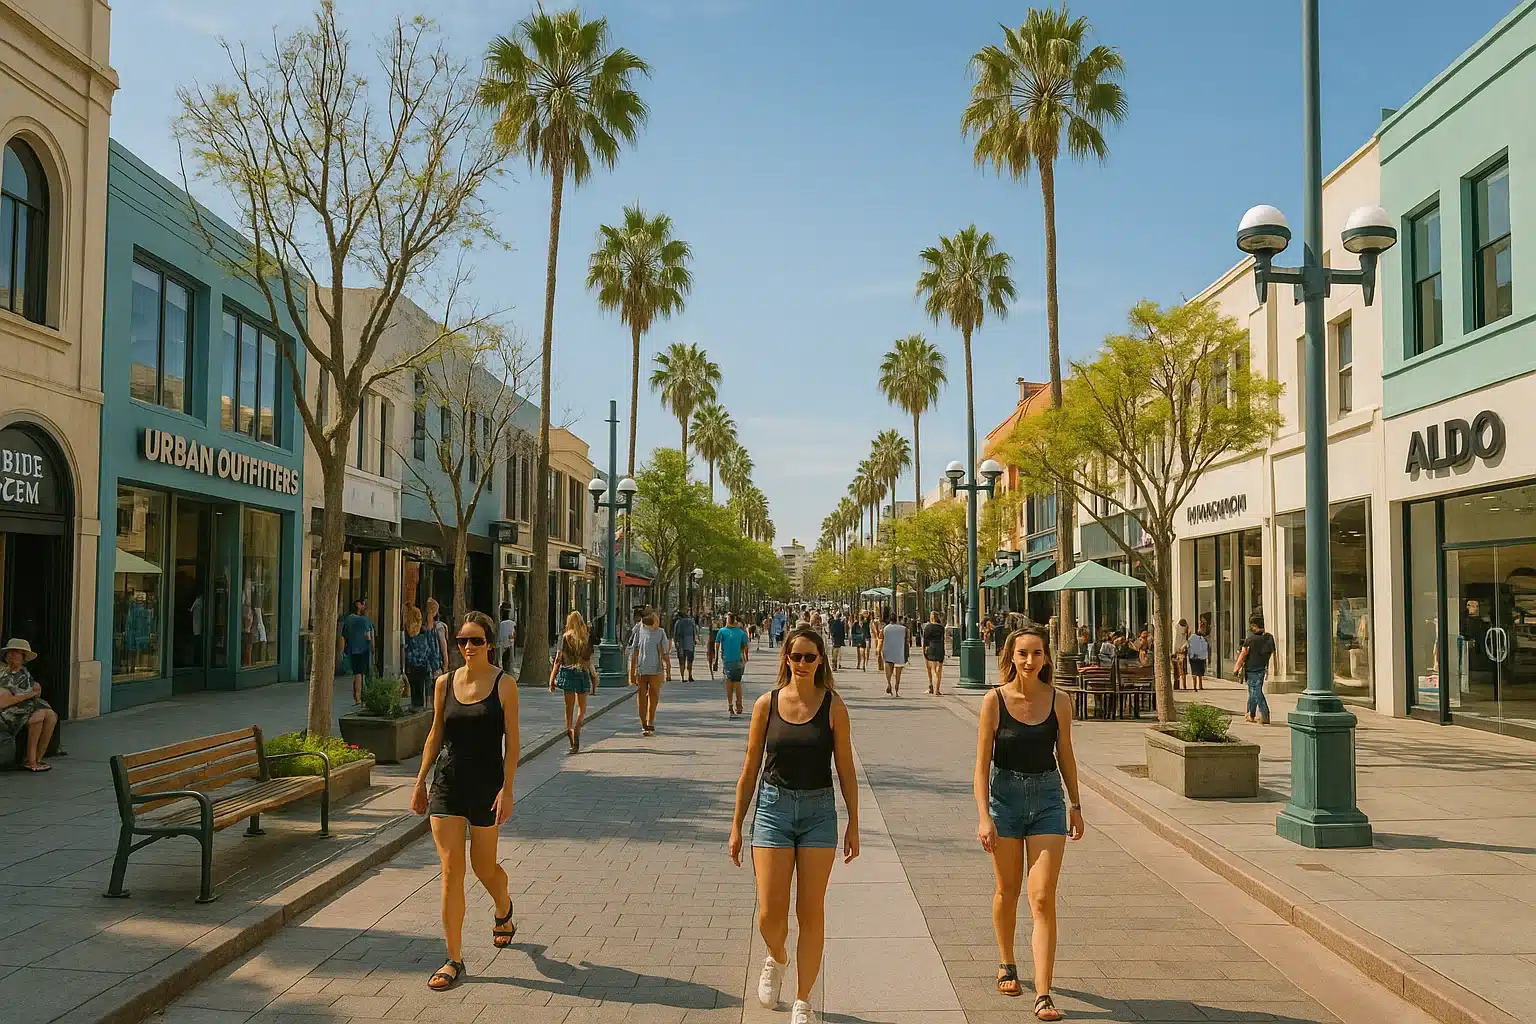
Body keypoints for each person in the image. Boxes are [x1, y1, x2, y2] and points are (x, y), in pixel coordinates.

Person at [730, 626, 859, 1024]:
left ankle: (803, 1000)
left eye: (810, 657)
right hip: (772, 810)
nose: (802, 663)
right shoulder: (766, 705)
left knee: (810, 910)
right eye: (796, 656)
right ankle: (777, 956)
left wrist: (854, 821)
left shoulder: (833, 706)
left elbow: (846, 769)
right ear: (785, 658)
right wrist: (737, 825)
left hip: (819, 811)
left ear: (821, 660)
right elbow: (750, 768)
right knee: (769, 912)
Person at [973, 625, 1084, 1021]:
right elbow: (982, 763)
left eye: (1037, 653)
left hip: (1048, 800)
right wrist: (984, 815)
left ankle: (1043, 992)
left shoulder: (1059, 701)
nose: (1030, 661)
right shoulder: (994, 701)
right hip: (1004, 801)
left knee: (1041, 897)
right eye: (1023, 654)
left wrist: (1076, 803)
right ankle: (1007, 962)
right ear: (1011, 657)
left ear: (1046, 658)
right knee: (1008, 888)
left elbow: (1066, 755)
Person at [410, 611, 519, 992]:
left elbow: (513, 743)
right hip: (448, 785)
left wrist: (507, 788)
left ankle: (503, 908)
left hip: (487, 789)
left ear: (489, 643)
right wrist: (420, 780)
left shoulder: (504, 685)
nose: (468, 648)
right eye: (462, 641)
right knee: (452, 870)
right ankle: (453, 958)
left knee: (484, 867)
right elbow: (435, 734)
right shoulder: (444, 683)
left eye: (475, 641)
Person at [0, 639, 56, 772]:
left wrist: (32, 693)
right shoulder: (2, 673)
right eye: (10, 652)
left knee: (51, 716)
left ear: (23, 658)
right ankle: (31, 762)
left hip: (25, 707)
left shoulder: (24, 672)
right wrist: (29, 695)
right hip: (7, 712)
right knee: (38, 716)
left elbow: (36, 690)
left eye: (17, 653)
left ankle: (37, 758)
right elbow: (3, 702)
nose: (12, 656)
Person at [548, 610, 596, 753]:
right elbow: (590, 660)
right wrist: (594, 680)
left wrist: (552, 679)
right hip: (582, 673)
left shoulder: (565, 638)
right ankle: (577, 728)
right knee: (582, 709)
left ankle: (570, 734)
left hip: (568, 673)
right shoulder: (586, 637)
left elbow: (558, 660)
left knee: (569, 708)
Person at [629, 612, 671, 736]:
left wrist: (668, 668)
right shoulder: (639, 630)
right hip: (641, 669)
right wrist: (632, 670)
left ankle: (650, 721)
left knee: (654, 696)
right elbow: (635, 649)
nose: (656, 623)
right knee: (641, 697)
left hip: (656, 670)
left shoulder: (661, 632)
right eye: (654, 621)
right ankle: (643, 723)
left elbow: (664, 652)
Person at [1233, 614, 1276, 725]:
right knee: (1253, 692)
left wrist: (1236, 668)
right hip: (1262, 668)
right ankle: (1250, 714)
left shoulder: (1250, 640)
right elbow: (1272, 653)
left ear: (1254, 626)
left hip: (1251, 669)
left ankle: (1265, 714)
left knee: (1256, 692)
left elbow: (1243, 654)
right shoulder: (1269, 638)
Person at [338, 598, 375, 706]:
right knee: (363, 674)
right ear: (362, 607)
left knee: (357, 673)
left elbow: (343, 636)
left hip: (352, 650)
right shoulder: (365, 621)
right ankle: (361, 696)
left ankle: (357, 696)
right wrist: (372, 648)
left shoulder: (348, 620)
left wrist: (342, 651)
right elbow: (369, 637)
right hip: (364, 650)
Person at [403, 606, 438, 711]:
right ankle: (422, 705)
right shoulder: (424, 631)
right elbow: (430, 648)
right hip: (422, 662)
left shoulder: (407, 631)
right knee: (422, 685)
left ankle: (417, 705)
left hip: (412, 662)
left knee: (415, 685)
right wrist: (435, 664)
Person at [717, 612, 750, 717]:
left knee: (730, 683)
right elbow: (745, 645)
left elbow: (717, 645)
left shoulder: (722, 631)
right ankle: (738, 703)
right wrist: (746, 656)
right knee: (737, 682)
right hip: (738, 660)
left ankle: (731, 704)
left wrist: (716, 659)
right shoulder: (740, 632)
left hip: (728, 660)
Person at [881, 613, 909, 697]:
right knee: (898, 672)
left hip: (888, 650)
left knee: (888, 668)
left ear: (889, 619)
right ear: (896, 619)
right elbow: (907, 642)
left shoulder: (885, 628)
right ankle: (897, 687)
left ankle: (889, 683)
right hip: (899, 651)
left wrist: (879, 650)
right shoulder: (904, 629)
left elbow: (881, 639)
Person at [921, 611, 948, 695]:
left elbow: (925, 641)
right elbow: (943, 640)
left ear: (931, 617)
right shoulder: (941, 628)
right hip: (940, 648)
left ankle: (931, 687)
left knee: (931, 669)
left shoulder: (928, 627)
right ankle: (937, 690)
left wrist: (924, 651)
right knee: (938, 669)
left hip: (931, 648)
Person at [672, 609, 698, 682]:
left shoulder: (678, 622)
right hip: (690, 642)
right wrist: (694, 641)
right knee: (690, 659)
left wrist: (675, 642)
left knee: (681, 660)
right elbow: (695, 632)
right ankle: (690, 675)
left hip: (681, 643)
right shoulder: (691, 621)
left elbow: (675, 633)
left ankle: (683, 677)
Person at [425, 599, 450, 674]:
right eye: (429, 609)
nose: (430, 612)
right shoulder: (423, 626)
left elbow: (443, 645)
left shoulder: (439, 627)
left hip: (436, 665)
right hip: (425, 664)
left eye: (432, 610)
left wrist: (446, 663)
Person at [1187, 623, 1210, 692]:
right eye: (1202, 628)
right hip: (1195, 657)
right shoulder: (1194, 637)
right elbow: (1189, 646)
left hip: (1199, 657)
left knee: (1199, 672)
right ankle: (1195, 687)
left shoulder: (1202, 638)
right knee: (1195, 672)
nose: (1203, 630)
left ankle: (1200, 686)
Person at [497, 606, 517, 674]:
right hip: (509, 641)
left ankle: (505, 668)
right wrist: (512, 639)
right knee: (510, 656)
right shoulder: (512, 623)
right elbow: (513, 633)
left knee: (503, 656)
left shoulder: (501, 624)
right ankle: (509, 669)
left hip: (502, 641)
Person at [1172, 619, 1191, 690]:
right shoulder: (1185, 633)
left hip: (1176, 651)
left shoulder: (1177, 628)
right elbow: (1187, 642)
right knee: (1183, 670)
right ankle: (1184, 686)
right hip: (1181, 652)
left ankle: (1177, 685)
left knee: (1176, 670)